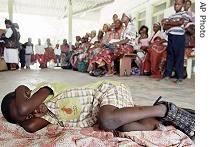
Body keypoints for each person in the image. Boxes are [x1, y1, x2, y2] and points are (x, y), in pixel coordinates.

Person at [1, 80, 195, 139]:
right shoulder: (47, 116)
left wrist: (20, 88)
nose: (31, 113)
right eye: (25, 117)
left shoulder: (44, 89)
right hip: (110, 110)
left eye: (27, 108)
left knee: (108, 121)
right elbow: (30, 126)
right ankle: (172, 119)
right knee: (127, 129)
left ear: (27, 96)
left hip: (106, 93)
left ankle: (164, 109)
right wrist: (24, 117)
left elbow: (23, 108)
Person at [162, 0, 191, 84]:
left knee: (179, 57)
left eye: (178, 4)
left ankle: (179, 77)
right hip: (170, 36)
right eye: (175, 4)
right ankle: (167, 75)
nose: (176, 6)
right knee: (170, 56)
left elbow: (181, 22)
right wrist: (175, 23)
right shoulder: (171, 15)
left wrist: (170, 23)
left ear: (182, 5)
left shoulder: (184, 14)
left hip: (179, 37)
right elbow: (165, 26)